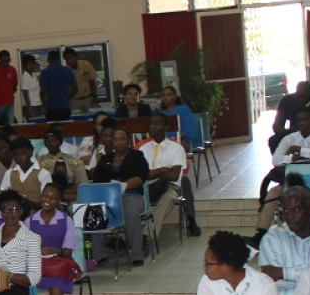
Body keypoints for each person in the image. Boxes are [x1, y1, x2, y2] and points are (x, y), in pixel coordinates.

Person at [258, 183, 310, 295]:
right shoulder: (273, 237)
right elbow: (270, 280)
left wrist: (283, 272)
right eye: (286, 210)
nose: (290, 216)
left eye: (296, 210)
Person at [91, 127, 151, 267]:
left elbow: (141, 177)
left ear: (128, 141)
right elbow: (97, 181)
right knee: (93, 211)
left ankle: (136, 254)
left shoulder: (137, 156)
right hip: (108, 198)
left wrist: (122, 186)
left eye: (122, 139)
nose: (118, 142)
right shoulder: (105, 159)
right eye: (115, 139)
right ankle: (100, 254)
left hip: (132, 195)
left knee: (130, 212)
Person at [26, 184, 77, 295]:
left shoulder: (65, 220)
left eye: (52, 198)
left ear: (58, 201)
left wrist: (55, 250)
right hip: (36, 264)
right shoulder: (30, 220)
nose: (47, 200)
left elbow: (68, 251)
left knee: (57, 282)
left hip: (59, 264)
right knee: (23, 281)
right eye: (45, 196)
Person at [139, 112, 202, 238]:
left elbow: (174, 176)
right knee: (130, 198)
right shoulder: (143, 149)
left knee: (168, 199)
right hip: (146, 187)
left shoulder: (176, 148)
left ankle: (147, 236)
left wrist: (152, 173)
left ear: (165, 127)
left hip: (169, 187)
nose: (153, 127)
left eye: (157, 124)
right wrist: (163, 170)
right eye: (151, 124)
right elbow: (142, 174)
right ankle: (127, 237)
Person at [36, 125, 86, 201]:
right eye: (48, 141)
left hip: (69, 195)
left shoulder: (72, 160)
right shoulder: (38, 161)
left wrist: (61, 193)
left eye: (54, 140)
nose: (51, 143)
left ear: (60, 142)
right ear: (45, 144)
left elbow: (82, 185)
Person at [0, 137, 51, 210]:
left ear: (30, 152)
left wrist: (26, 201)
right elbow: (3, 197)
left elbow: (47, 203)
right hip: (15, 215)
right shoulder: (9, 173)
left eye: (22, 154)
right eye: (15, 155)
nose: (19, 158)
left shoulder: (43, 173)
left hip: (37, 215)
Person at [158, 85, 203, 151]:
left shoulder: (183, 109)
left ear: (174, 97)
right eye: (164, 95)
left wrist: (174, 139)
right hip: (163, 142)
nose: (166, 98)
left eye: (169, 95)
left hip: (182, 142)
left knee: (171, 148)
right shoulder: (160, 113)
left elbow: (190, 129)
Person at [38, 50, 76, 120]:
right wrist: (67, 98)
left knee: (53, 128)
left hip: (52, 107)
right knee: (65, 128)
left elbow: (43, 91)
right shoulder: (67, 71)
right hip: (65, 107)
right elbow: (75, 88)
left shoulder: (45, 73)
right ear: (59, 59)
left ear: (48, 60)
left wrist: (44, 106)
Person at [65, 47, 98, 112]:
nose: (69, 61)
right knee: (76, 120)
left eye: (71, 58)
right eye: (67, 59)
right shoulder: (66, 70)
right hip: (74, 101)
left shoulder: (86, 64)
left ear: (75, 57)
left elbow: (92, 81)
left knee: (91, 119)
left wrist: (95, 97)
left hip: (88, 99)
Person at [19, 55, 41, 120]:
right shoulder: (25, 77)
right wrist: (30, 109)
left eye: (33, 64)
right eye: (29, 64)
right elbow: (25, 95)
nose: (32, 66)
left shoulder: (33, 75)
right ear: (24, 66)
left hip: (37, 105)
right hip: (31, 107)